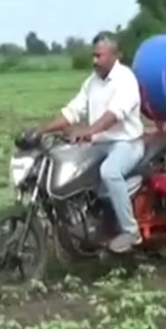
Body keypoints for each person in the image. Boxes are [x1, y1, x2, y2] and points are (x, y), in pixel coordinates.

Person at [34, 33, 145, 253]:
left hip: (126, 143)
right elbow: (73, 112)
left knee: (109, 172)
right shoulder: (92, 83)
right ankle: (82, 225)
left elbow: (114, 115)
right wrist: (40, 130)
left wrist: (87, 131)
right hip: (98, 144)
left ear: (115, 55)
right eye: (93, 55)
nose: (94, 61)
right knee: (68, 167)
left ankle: (131, 232)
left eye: (99, 56)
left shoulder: (126, 80)